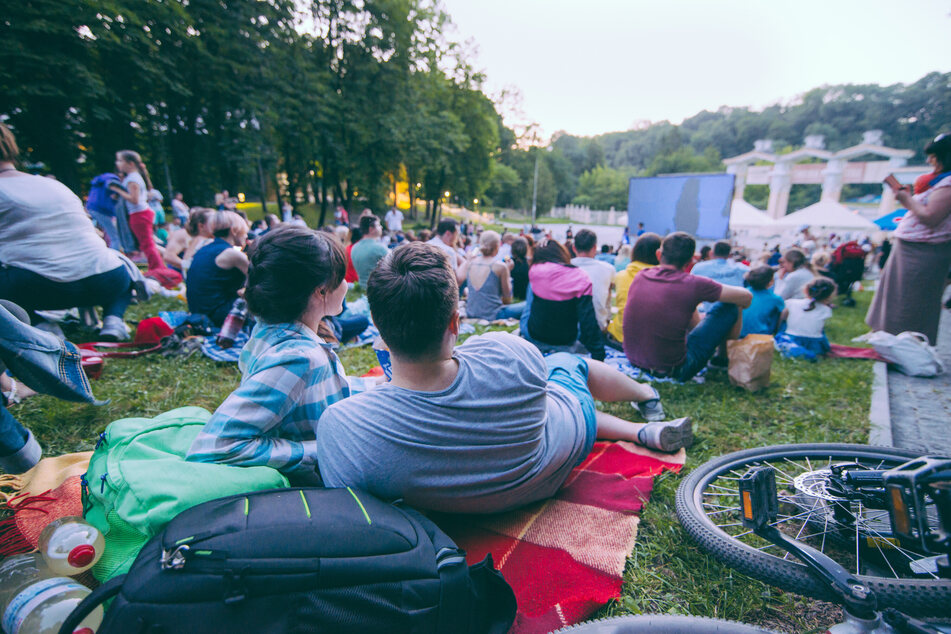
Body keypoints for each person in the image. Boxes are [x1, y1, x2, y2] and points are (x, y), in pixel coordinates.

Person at [316, 242, 692, 514]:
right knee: (567, 363)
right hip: (552, 464)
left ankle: (639, 430)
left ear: (378, 326)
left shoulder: (343, 427)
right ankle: (646, 395)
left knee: (557, 393)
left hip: (487, 499)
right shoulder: (510, 354)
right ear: (455, 321)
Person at [187, 227, 376, 484]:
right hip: (315, 486)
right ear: (320, 291)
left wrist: (375, 387)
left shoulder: (274, 329)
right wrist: (317, 449)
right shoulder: (298, 357)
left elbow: (314, 392)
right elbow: (215, 446)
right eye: (341, 277)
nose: (346, 284)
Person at [0, 123, 134, 340]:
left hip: (41, 287)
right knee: (121, 267)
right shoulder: (54, 185)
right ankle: (113, 321)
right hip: (108, 279)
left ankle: (40, 325)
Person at [622, 232, 752, 381]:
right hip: (675, 369)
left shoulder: (641, 275)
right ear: (691, 260)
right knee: (731, 306)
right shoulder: (694, 284)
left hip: (634, 360)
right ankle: (722, 359)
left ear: (659, 254)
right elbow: (746, 297)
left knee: (686, 305)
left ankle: (721, 357)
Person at [867, 133, 951, 344]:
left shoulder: (949, 184)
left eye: (933, 156)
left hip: (925, 251)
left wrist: (906, 199)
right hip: (912, 247)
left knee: (911, 300)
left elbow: (931, 216)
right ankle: (885, 337)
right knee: (895, 295)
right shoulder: (940, 181)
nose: (929, 161)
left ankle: (905, 344)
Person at [520, 240, 605, 361]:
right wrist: (598, 354)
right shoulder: (581, 276)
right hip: (566, 340)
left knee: (531, 292)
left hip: (534, 336)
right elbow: (588, 320)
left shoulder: (535, 270)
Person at [185, 211, 249, 326]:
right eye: (244, 231)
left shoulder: (203, 250)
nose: (246, 236)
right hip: (219, 316)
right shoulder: (232, 254)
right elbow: (260, 280)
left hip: (198, 312)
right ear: (233, 230)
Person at [112, 150, 164, 270]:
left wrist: (118, 190)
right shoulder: (133, 177)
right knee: (147, 244)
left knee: (147, 245)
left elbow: (134, 199)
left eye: (120, 160)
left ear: (130, 163)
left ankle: (158, 270)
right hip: (140, 214)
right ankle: (156, 268)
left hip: (139, 214)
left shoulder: (132, 179)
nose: (117, 163)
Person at [606, 232, 661, 346]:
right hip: (651, 343)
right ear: (659, 254)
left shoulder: (621, 276)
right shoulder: (666, 279)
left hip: (620, 337)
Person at [459, 230, 524, 320]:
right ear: (497, 246)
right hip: (494, 314)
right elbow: (507, 299)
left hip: (471, 312)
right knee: (528, 305)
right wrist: (507, 272)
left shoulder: (470, 263)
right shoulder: (500, 266)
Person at [776, 277, 836, 360]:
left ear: (806, 289)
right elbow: (820, 330)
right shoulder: (826, 310)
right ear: (829, 295)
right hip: (814, 343)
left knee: (784, 320)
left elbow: (781, 320)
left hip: (792, 338)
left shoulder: (791, 303)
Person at [570, 229, 614, 330]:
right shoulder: (608, 269)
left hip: (570, 329)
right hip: (598, 327)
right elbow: (608, 299)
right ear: (594, 247)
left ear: (574, 248)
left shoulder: (565, 267)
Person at [163, 207, 213, 275]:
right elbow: (168, 256)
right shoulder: (181, 234)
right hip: (181, 275)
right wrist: (188, 267)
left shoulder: (210, 237)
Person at [740, 266, 785, 337]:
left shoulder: (742, 292)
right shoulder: (775, 299)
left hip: (738, 333)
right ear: (770, 282)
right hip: (760, 334)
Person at [86, 172, 123, 250]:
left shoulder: (101, 179)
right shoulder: (113, 180)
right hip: (101, 210)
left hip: (92, 208)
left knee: (97, 234)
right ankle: (114, 257)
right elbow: (109, 185)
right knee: (115, 237)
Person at [350, 215, 388, 286]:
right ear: (371, 229)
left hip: (361, 286)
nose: (381, 227)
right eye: (379, 225)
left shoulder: (355, 247)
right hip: (378, 288)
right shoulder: (380, 248)